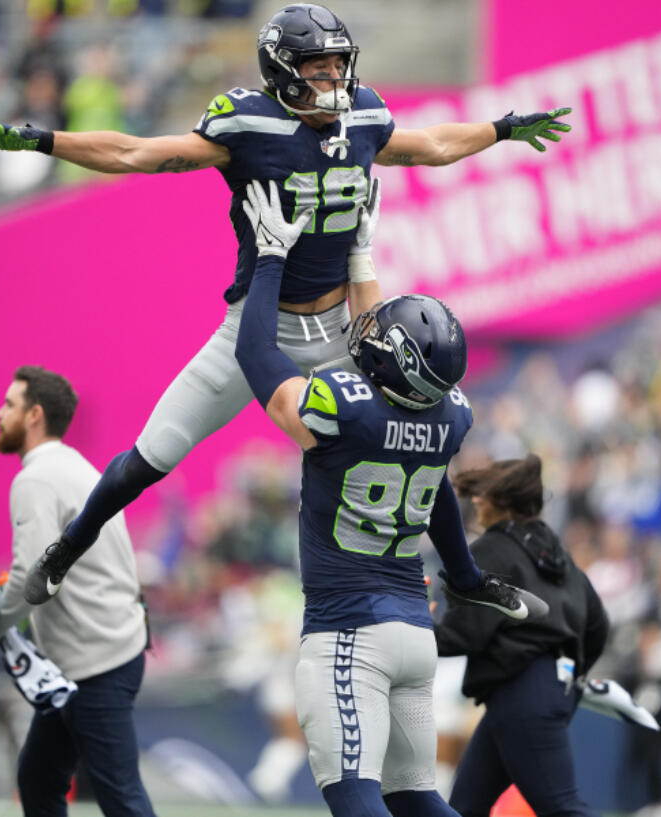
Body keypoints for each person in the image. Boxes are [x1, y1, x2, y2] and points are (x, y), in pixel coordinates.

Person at [0, 3, 572, 603]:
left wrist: (503, 129)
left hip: (344, 330)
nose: (334, 78)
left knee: (418, 432)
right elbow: (134, 154)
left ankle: (464, 580)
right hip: (256, 327)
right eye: (318, 67)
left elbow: (431, 145)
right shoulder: (246, 123)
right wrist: (39, 140)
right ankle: (67, 547)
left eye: (338, 64)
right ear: (282, 71)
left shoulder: (362, 113)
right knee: (152, 456)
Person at [226, 178, 548, 817]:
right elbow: (436, 500)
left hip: (349, 631)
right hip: (411, 630)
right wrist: (361, 253)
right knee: (421, 801)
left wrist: (268, 259)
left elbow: (253, 347)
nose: (368, 337)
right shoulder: (449, 415)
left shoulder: (340, 411)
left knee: (356, 801)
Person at [0, 365, 156, 817]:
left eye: (9, 405)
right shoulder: (73, 466)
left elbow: (29, 575)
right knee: (38, 782)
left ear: (34, 414)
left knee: (121, 797)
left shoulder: (37, 478)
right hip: (93, 658)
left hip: (96, 662)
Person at [433, 455, 610, 817]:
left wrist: (416, 626)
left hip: (521, 692)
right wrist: (566, 675)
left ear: (502, 500)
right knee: (466, 807)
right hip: (541, 692)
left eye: (483, 493)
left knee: (561, 807)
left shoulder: (489, 551)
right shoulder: (555, 552)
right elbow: (598, 625)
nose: (477, 500)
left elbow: (465, 634)